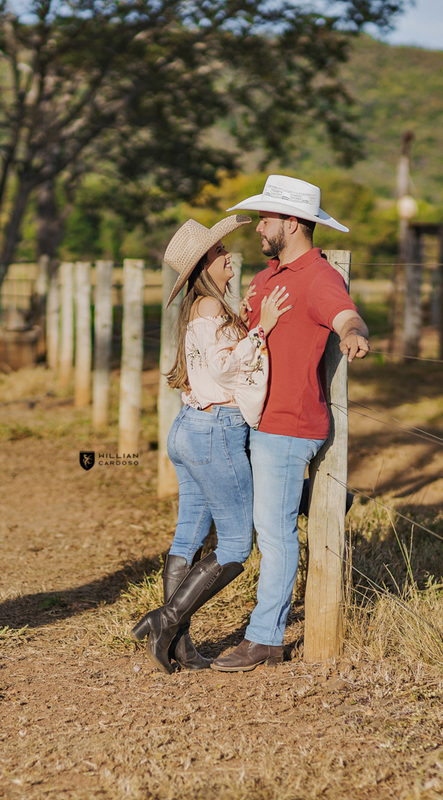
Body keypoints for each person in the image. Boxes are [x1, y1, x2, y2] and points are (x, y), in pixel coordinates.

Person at [211, 175, 370, 672]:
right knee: (265, 522)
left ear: (293, 223)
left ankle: (265, 638)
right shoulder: (266, 278)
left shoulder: (319, 278)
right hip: (258, 418)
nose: (259, 227)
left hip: (289, 422)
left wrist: (353, 335)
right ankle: (320, 500)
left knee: (274, 533)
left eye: (266, 219)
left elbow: (346, 315)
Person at [131, 214, 292, 674]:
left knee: (189, 534)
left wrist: (242, 324)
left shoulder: (202, 308)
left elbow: (210, 364)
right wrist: (260, 328)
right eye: (221, 253)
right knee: (238, 543)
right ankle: (165, 621)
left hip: (189, 427)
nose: (229, 257)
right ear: (205, 264)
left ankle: (177, 644)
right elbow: (224, 372)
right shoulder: (211, 309)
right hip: (216, 430)